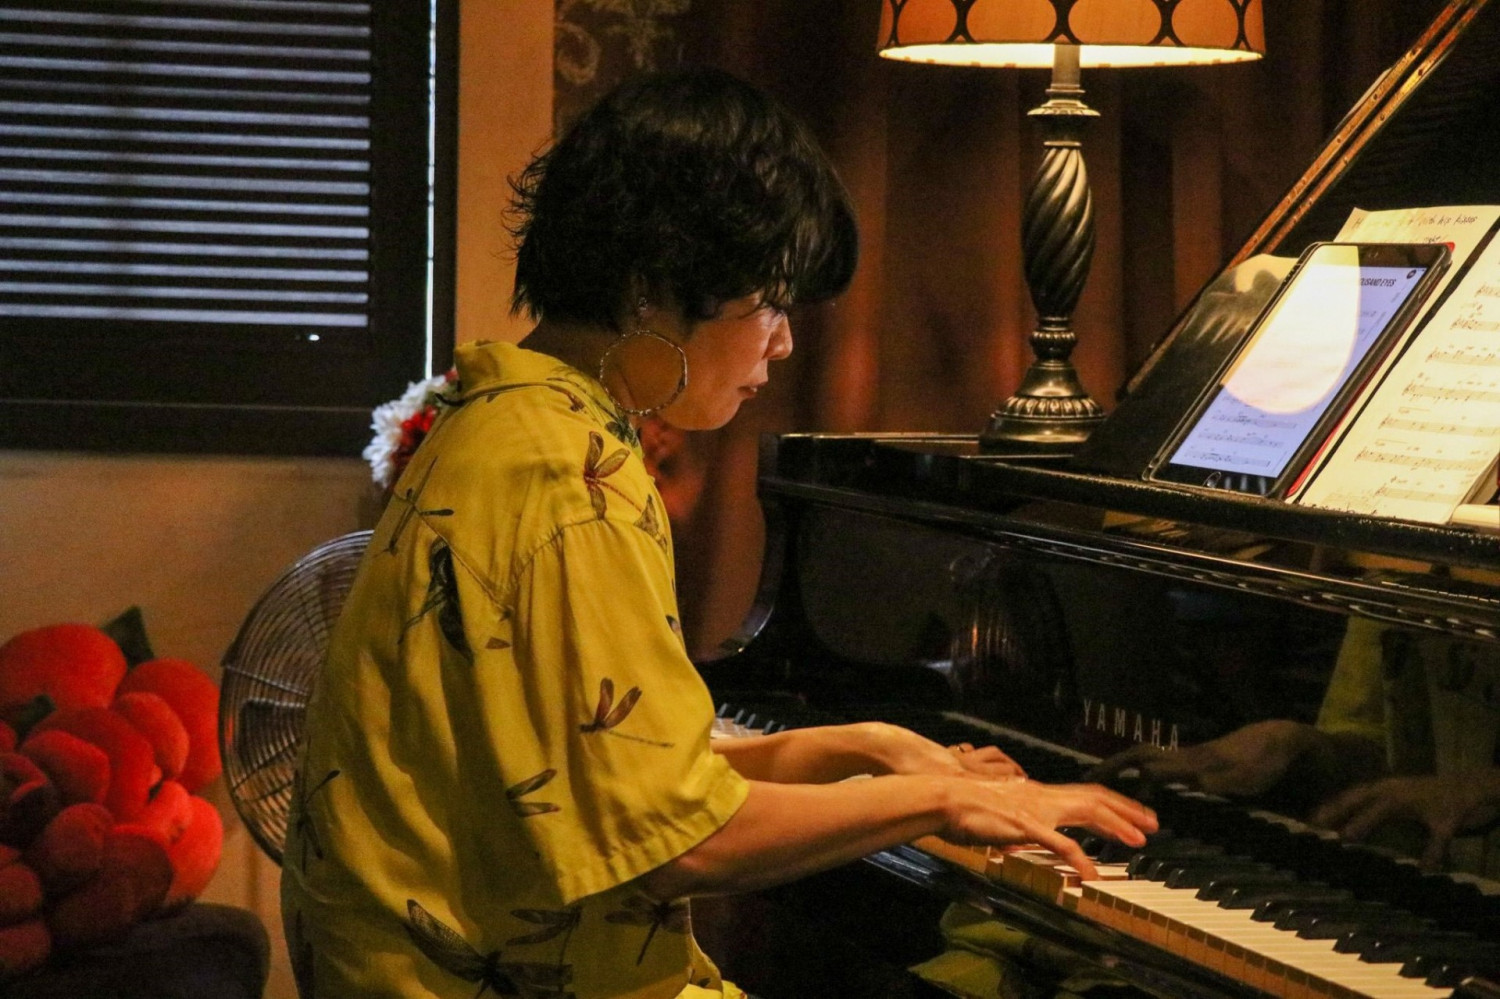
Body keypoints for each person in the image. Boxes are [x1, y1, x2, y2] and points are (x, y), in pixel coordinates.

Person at [280, 68, 1158, 999]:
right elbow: (679, 844)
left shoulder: (505, 414)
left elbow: (608, 765)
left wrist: (865, 743)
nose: (783, 343)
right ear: (654, 287)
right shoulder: (569, 480)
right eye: (768, 302)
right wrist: (940, 796)